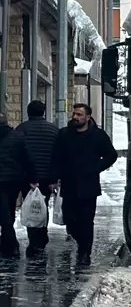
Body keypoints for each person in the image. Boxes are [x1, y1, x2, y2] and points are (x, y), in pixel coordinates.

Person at [53, 103, 118, 265]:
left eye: (79, 115)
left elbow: (111, 155)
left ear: (88, 117)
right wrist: (53, 178)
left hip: (88, 186)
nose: (75, 117)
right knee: (70, 220)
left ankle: (84, 252)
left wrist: (95, 168)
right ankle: (82, 243)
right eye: (74, 114)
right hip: (69, 185)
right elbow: (56, 158)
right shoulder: (64, 135)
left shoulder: (98, 136)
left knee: (86, 220)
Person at [16, 100, 59, 255]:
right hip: (47, 176)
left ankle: (34, 238)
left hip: (27, 177)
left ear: (28, 112)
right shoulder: (54, 130)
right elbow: (57, 155)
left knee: (30, 206)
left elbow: (19, 154)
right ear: (43, 112)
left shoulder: (21, 129)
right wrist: (55, 177)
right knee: (43, 205)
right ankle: (42, 233)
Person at [0, 114, 35, 258]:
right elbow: (27, 158)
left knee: (4, 212)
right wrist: (32, 178)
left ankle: (10, 242)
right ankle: (9, 241)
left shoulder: (18, 136)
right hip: (14, 180)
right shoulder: (18, 137)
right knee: (9, 207)